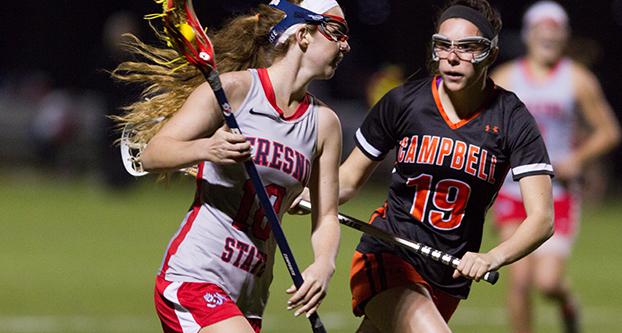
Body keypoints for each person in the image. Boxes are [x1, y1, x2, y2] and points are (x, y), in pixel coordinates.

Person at [294, 0, 555, 331]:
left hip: (448, 272)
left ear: (490, 52)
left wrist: (493, 256)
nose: (452, 57)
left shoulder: (512, 118)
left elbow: (542, 218)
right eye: (443, 46)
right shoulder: (404, 102)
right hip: (390, 253)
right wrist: (304, 194)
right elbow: (346, 180)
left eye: (467, 47)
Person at [112, 0, 350, 332]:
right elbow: (153, 154)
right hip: (196, 277)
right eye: (337, 32)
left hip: (249, 297)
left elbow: (325, 216)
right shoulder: (236, 91)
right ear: (304, 34)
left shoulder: (325, 124)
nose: (346, 45)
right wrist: (207, 148)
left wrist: (323, 266)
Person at [490, 2, 621, 333]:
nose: (548, 38)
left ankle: (566, 301)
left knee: (547, 282)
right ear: (530, 34)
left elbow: (609, 131)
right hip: (512, 189)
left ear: (564, 37)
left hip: (555, 191)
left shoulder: (577, 79)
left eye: (555, 32)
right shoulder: (504, 78)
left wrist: (576, 159)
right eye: (542, 31)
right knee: (519, 280)